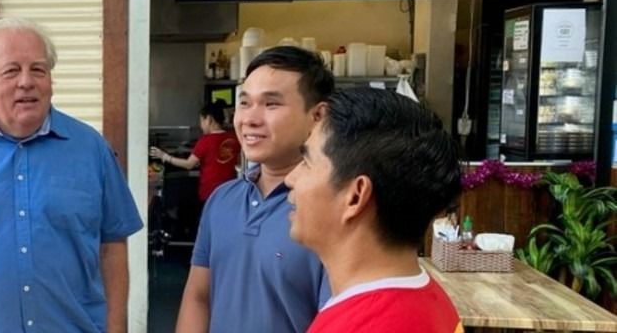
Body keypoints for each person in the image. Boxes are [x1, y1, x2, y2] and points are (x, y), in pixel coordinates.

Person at [0, 17, 143, 333]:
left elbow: (112, 246)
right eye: (11, 70)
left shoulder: (91, 149)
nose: (27, 82)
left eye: (38, 70)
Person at [176, 46, 333, 333]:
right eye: (245, 103)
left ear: (318, 116)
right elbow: (198, 297)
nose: (250, 118)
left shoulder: (334, 212)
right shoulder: (222, 200)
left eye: (271, 104)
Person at [284, 88, 464, 333]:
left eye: (306, 163)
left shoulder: (362, 324)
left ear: (355, 196)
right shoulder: (429, 301)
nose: (290, 179)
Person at [149, 102, 240, 203]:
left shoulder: (206, 141)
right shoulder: (233, 138)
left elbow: (189, 164)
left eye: (201, 120)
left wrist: (165, 156)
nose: (201, 125)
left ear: (209, 119)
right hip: (230, 191)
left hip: (210, 192)